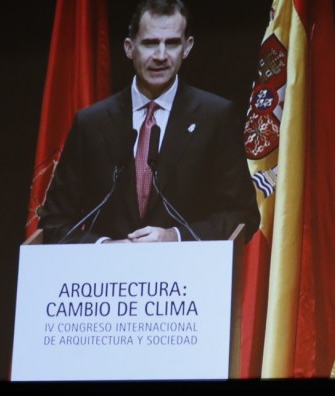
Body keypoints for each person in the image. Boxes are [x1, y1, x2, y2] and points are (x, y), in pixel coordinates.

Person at [38, 0, 260, 244]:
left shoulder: (215, 117)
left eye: (172, 43)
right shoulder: (91, 123)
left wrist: (175, 237)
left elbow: (243, 216)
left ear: (187, 47)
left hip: (186, 277)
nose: (161, 56)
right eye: (150, 43)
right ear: (129, 48)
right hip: (106, 278)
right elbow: (53, 222)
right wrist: (104, 247)